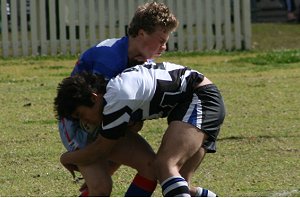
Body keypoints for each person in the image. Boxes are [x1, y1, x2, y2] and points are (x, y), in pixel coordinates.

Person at [58, 1, 179, 196]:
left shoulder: (143, 61)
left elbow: (124, 121)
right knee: (101, 187)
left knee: (150, 167)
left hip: (109, 124)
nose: (164, 47)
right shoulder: (109, 59)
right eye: (160, 40)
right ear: (141, 34)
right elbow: (100, 111)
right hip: (80, 123)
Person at [54, 61, 226, 197]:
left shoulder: (115, 101)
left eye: (81, 114)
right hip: (197, 100)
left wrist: (66, 158)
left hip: (200, 98)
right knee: (180, 183)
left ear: (93, 97)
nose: (85, 121)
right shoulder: (115, 93)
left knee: (165, 165)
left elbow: (100, 149)